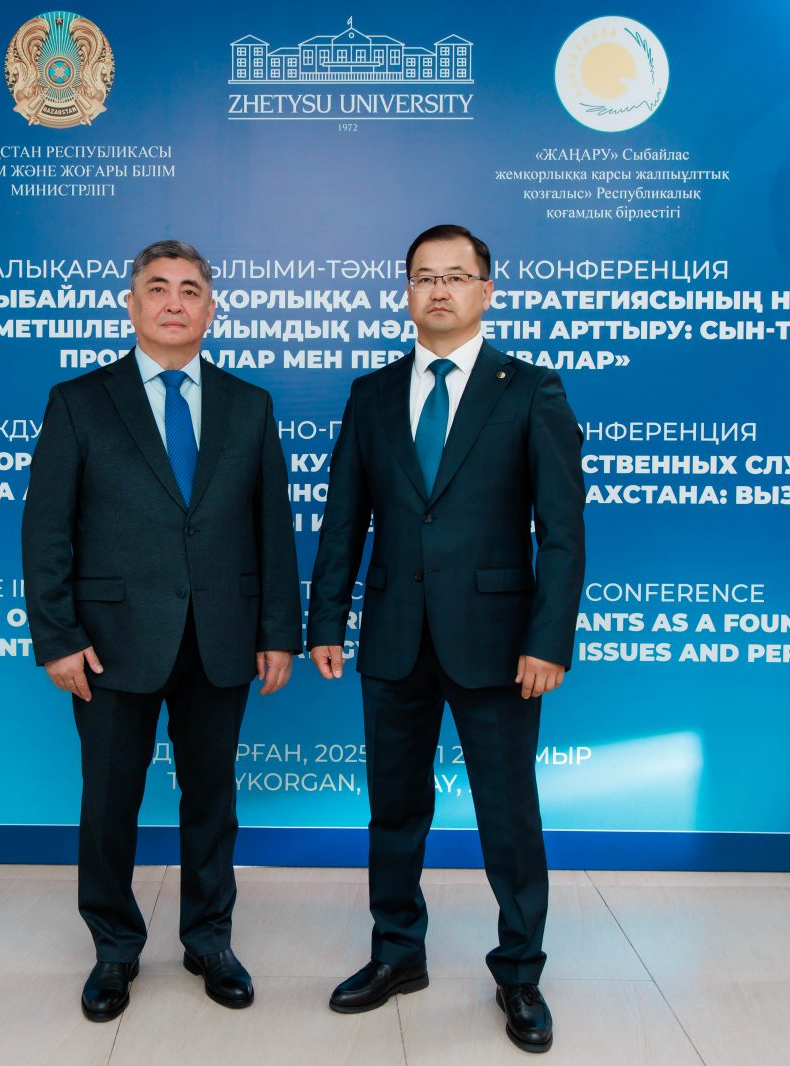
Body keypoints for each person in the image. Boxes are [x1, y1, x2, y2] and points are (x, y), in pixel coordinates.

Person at [308, 224, 584, 1053]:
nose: (439, 290)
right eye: (424, 276)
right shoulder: (371, 395)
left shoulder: (530, 390)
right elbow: (344, 520)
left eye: (456, 276)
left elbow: (561, 533)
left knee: (508, 815)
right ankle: (397, 953)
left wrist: (548, 640)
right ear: (407, 292)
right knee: (394, 809)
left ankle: (520, 973)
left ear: (486, 291)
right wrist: (327, 620)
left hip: (499, 644)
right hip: (394, 637)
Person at [22, 239, 300, 1021]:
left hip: (221, 637)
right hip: (109, 643)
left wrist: (278, 628)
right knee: (110, 801)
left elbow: (271, 526)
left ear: (211, 309)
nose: (174, 301)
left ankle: (209, 939)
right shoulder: (79, 401)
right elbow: (46, 531)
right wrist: (57, 635)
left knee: (211, 798)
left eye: (189, 290)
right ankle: (114, 948)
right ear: (131, 304)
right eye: (157, 287)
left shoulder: (249, 405)